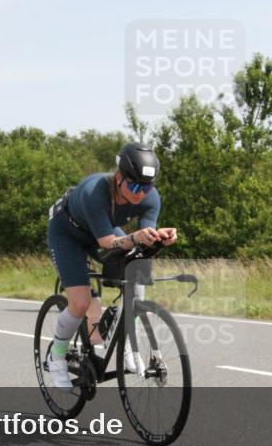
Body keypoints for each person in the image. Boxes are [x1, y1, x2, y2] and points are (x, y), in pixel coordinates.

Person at [46, 142, 177, 389]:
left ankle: (127, 342)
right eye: (134, 185)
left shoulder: (151, 198)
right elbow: (107, 242)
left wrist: (159, 236)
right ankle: (57, 355)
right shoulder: (94, 191)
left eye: (146, 187)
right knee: (81, 302)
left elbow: (142, 235)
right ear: (119, 178)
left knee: (137, 273)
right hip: (68, 233)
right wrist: (135, 237)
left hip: (102, 231)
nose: (140, 193)